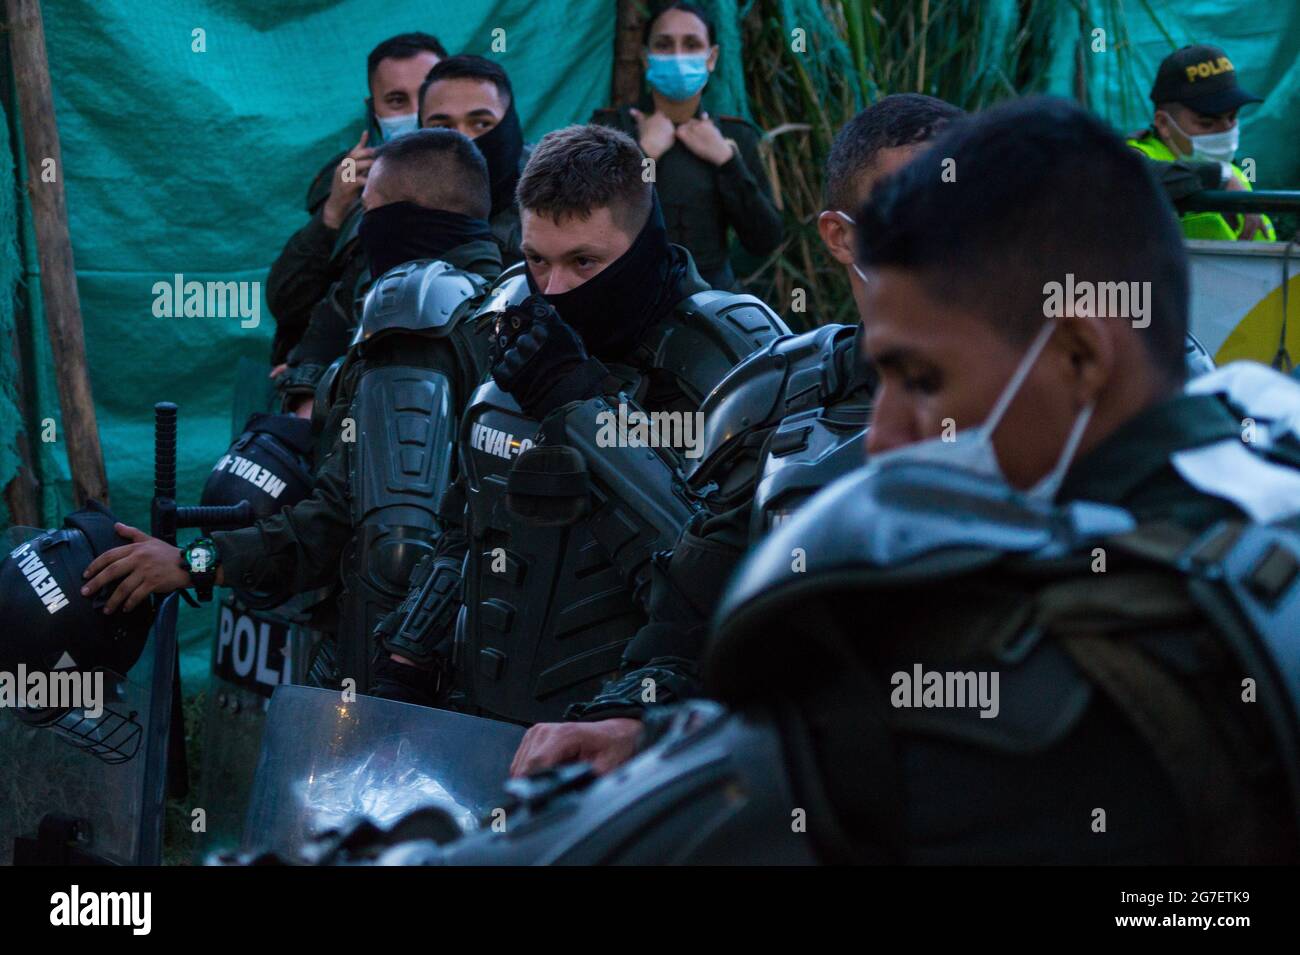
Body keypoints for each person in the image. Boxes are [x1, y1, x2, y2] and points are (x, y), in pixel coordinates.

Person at [345, 97, 1300, 865]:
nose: (883, 436)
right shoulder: (1253, 439)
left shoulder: (1086, 656)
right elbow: (690, 609)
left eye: (924, 380)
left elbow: (826, 768)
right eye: (881, 373)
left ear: (1084, 355)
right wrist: (651, 720)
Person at [509, 93, 963, 777]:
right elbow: (689, 614)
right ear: (840, 237)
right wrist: (632, 718)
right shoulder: (784, 393)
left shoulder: (1075, 391)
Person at [371, 123, 789, 717]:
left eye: (585, 262)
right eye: (537, 260)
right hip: (488, 723)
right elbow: (468, 522)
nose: (555, 288)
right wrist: (410, 654)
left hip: (639, 735)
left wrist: (582, 409)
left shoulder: (730, 363)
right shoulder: (514, 320)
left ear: (643, 241)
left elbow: (721, 580)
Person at [81, 130, 502, 696]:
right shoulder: (503, 300)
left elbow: (389, 545)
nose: (364, 229)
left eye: (371, 212)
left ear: (409, 216)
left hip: (404, 681)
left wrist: (193, 561)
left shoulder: (420, 319)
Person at [266, 32, 448, 373]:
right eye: (396, 100)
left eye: (425, 96)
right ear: (372, 111)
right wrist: (334, 211)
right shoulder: (348, 179)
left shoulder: (492, 176)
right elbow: (287, 303)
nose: (415, 112)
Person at [592, 2, 782, 290]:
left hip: (711, 298)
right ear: (646, 57)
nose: (678, 56)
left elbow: (765, 239)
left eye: (692, 44)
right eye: (664, 45)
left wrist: (727, 162)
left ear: (712, 57)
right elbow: (592, 224)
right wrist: (645, 155)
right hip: (628, 295)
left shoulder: (734, 135)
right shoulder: (611, 129)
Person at [1127, 44, 1275, 243]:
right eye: (1207, 123)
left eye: (1232, 117)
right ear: (1163, 124)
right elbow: (1122, 176)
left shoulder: (1237, 175)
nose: (1225, 130)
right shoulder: (1135, 158)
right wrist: (1219, 176)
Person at [419, 55, 531, 267]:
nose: (464, 140)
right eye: (442, 127)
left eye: (481, 123)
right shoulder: (397, 200)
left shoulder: (557, 195)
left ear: (508, 123)